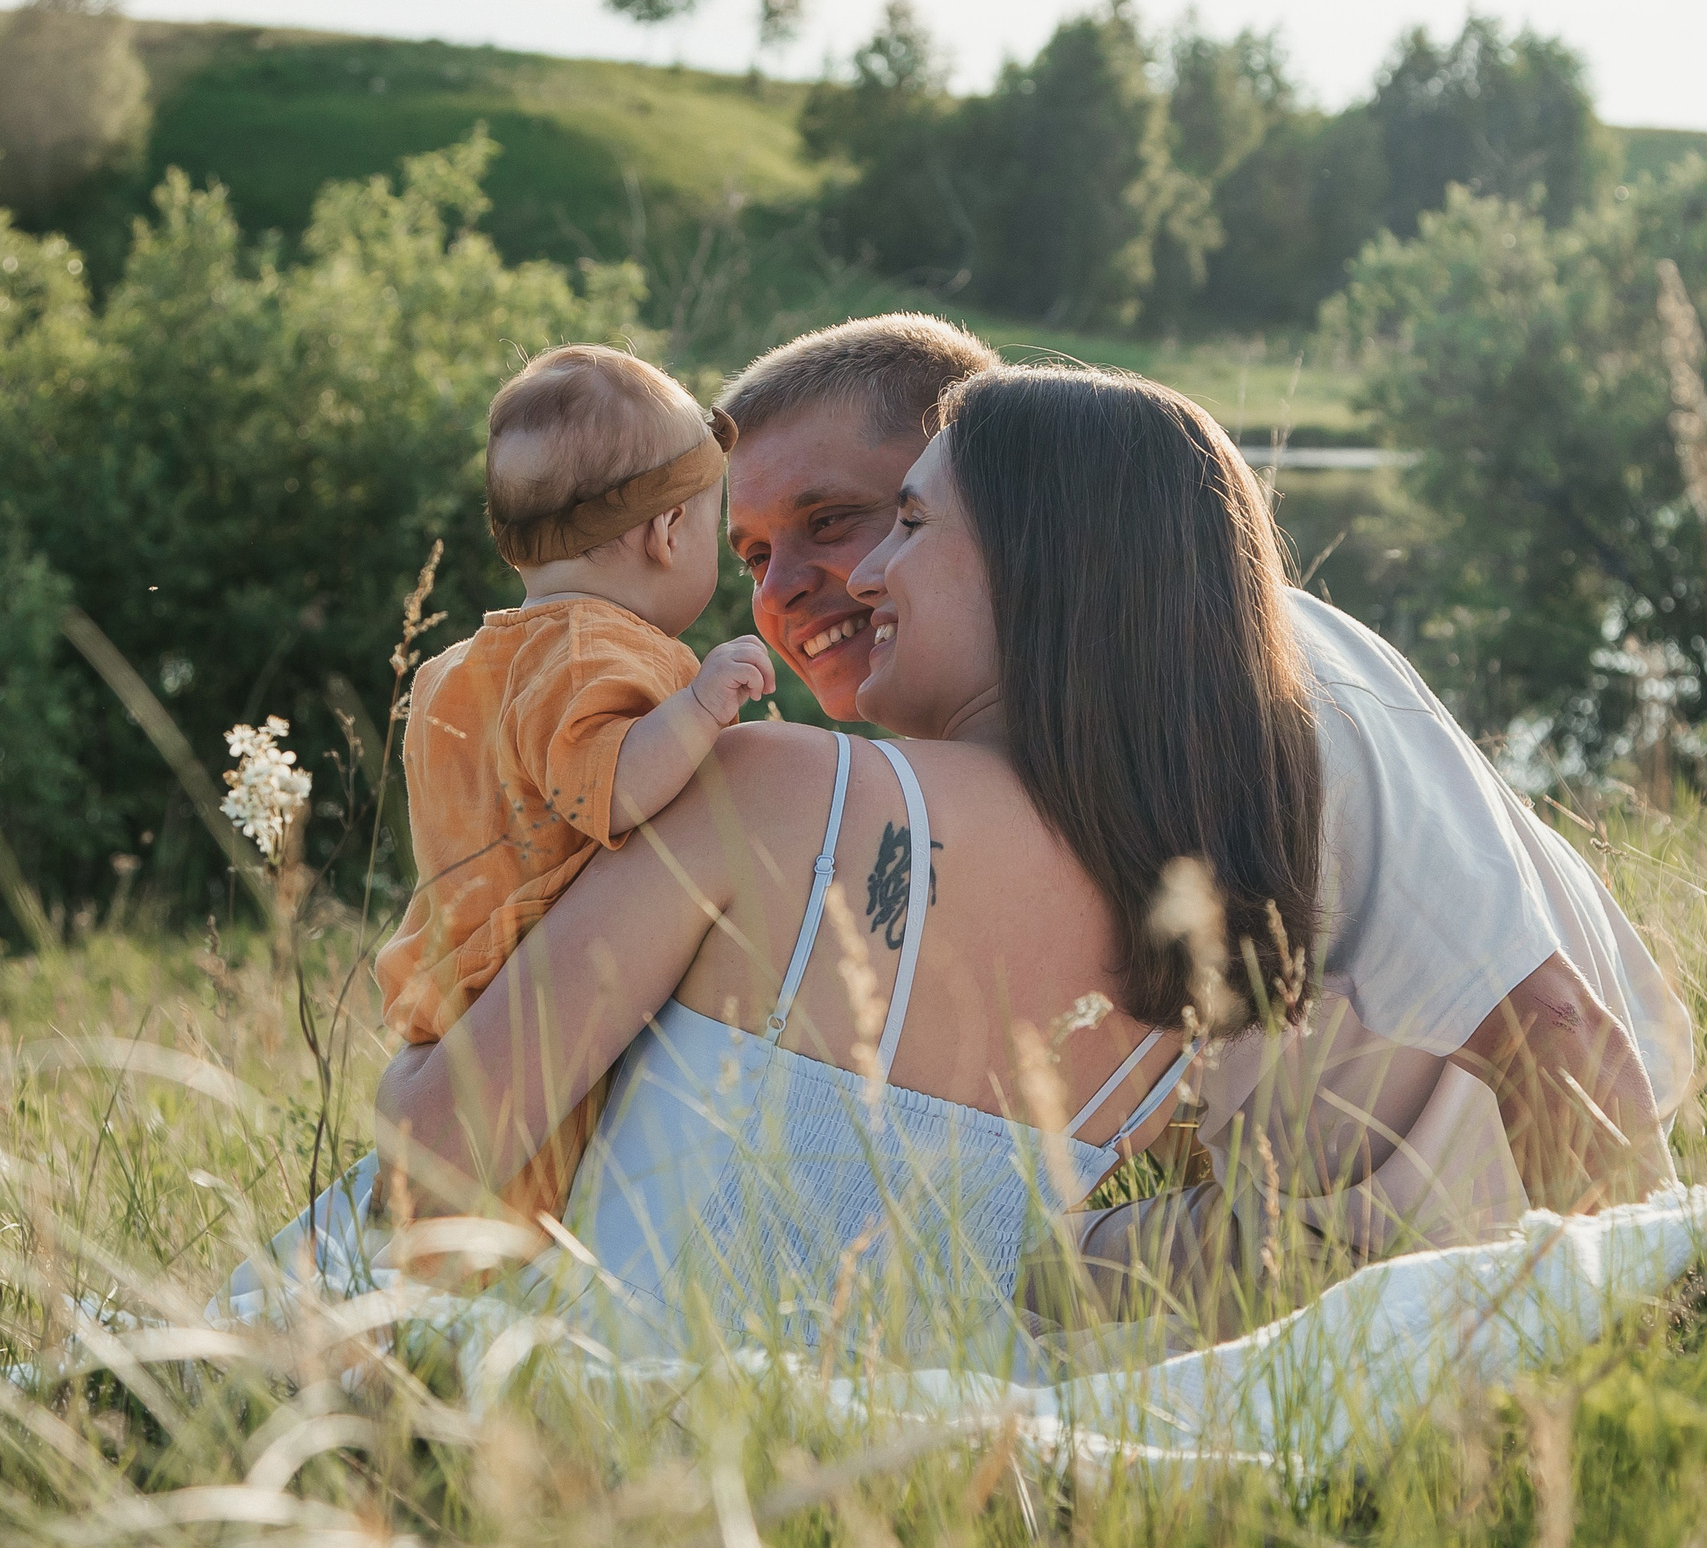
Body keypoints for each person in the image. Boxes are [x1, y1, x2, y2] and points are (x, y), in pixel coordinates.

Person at [716, 316, 1688, 1329]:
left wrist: (1644, 1356)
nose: (780, 591)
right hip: (1290, 1218)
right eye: (750, 554)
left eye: (841, 520)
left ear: (1020, 495)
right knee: (928, 1276)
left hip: (1487, 1219)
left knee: (963, 1296)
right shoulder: (1027, 747)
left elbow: (1559, 1031)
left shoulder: (1276, 690)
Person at [375, 366, 1330, 1353]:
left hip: (602, 1420)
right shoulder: (1195, 922)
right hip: (886, 1457)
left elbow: (434, 1147)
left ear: (1037, 558)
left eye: (909, 525)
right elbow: (1264, 1228)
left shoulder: (782, 791)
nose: (870, 573)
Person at [375, 344, 773, 1220]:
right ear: (668, 534)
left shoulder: (458, 667)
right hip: (542, 1001)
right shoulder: (593, 650)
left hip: (465, 984)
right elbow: (611, 787)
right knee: (532, 1218)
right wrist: (704, 704)